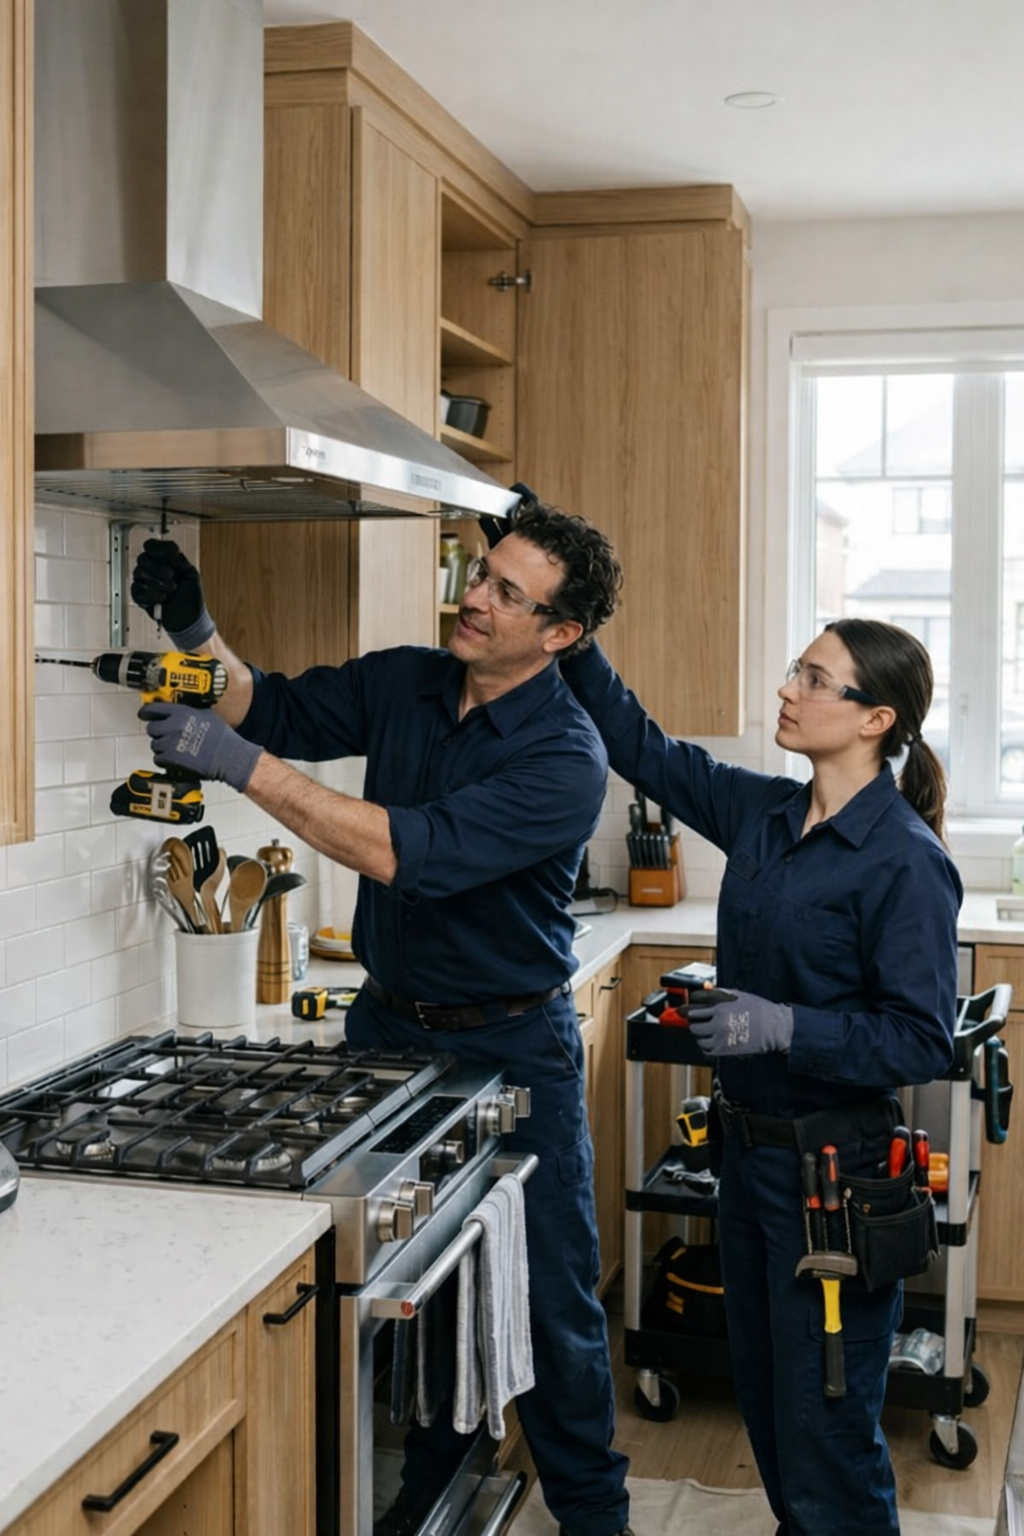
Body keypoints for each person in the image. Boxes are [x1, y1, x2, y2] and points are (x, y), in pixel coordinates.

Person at [130, 498, 633, 1536]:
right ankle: (423, 1493)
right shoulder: (408, 678)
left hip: (509, 1052)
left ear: (560, 634)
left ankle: (595, 1518)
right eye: (479, 574)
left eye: (505, 591)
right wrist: (194, 632)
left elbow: (409, 849)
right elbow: (264, 706)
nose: (475, 597)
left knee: (549, 1304)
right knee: (413, 1293)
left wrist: (239, 770)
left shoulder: (566, 757)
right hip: (387, 1036)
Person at [560, 620, 962, 1536]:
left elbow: (918, 1040)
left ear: (875, 719)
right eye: (796, 669)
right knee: (772, 1409)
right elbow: (644, 750)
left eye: (816, 679)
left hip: (835, 1182)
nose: (788, 689)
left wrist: (785, 1028)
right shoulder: (767, 815)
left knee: (826, 1428)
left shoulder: (904, 860)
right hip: (749, 1163)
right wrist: (574, 631)